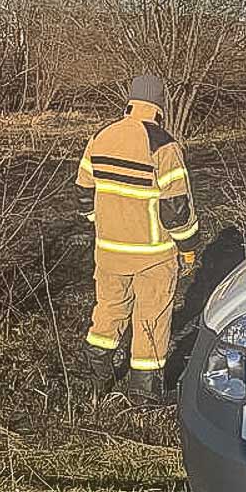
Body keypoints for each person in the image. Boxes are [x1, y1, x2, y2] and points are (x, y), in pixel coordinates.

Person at [76, 75, 198, 402]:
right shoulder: (164, 145)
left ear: (130, 102)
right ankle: (144, 397)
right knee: (151, 319)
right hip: (153, 256)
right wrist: (188, 249)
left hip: (109, 251)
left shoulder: (101, 137)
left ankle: (96, 379)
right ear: (160, 106)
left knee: (109, 311)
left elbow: (84, 190)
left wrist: (97, 221)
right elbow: (176, 210)